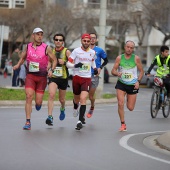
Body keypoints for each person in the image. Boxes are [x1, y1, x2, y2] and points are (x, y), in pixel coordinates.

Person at [13, 27, 57, 130]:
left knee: (38, 102)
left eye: (41, 34)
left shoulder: (47, 48)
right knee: (28, 96)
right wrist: (18, 65)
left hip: (41, 78)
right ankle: (28, 122)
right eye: (38, 34)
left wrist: (51, 70)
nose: (40, 36)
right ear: (33, 36)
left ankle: (38, 104)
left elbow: (54, 60)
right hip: (30, 76)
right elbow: (23, 57)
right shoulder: (28, 47)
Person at [66, 33, 98, 130]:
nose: (86, 42)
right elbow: (68, 64)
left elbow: (92, 61)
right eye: (84, 41)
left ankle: (79, 121)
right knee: (76, 99)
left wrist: (95, 68)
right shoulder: (76, 51)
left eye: (88, 41)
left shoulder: (92, 52)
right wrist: (76, 65)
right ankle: (75, 106)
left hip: (87, 78)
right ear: (81, 41)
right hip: (76, 77)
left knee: (83, 98)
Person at [111, 40, 144, 132]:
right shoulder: (119, 58)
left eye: (131, 48)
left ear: (133, 49)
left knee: (130, 108)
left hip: (132, 84)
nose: (129, 49)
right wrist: (117, 73)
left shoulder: (136, 58)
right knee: (120, 103)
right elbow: (113, 71)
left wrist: (138, 81)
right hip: (121, 83)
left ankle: (128, 98)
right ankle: (123, 124)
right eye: (128, 47)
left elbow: (141, 71)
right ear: (125, 47)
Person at [46, 33, 71, 126]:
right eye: (56, 40)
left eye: (60, 40)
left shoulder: (66, 51)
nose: (58, 41)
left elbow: (73, 63)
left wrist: (65, 62)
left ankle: (62, 108)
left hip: (63, 78)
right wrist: (48, 69)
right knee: (51, 95)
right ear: (54, 41)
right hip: (53, 77)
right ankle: (50, 116)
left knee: (62, 99)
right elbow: (49, 61)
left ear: (63, 42)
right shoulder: (51, 51)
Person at [86, 32, 108, 118]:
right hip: (85, 74)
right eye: (90, 37)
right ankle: (81, 115)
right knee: (83, 95)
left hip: (94, 76)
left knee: (90, 96)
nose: (92, 39)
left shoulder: (99, 50)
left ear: (96, 39)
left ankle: (92, 106)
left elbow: (106, 61)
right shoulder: (84, 49)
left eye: (94, 38)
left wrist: (100, 67)